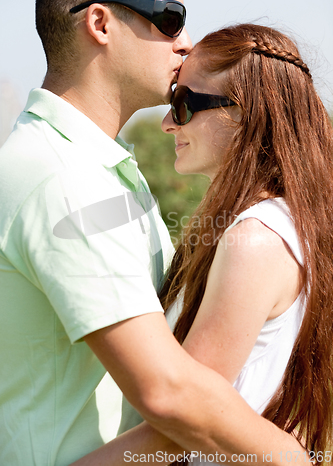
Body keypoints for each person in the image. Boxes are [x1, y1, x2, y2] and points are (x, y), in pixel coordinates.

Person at [0, 0, 308, 462]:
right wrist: (293, 457)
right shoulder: (61, 176)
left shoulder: (104, 168)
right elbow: (168, 393)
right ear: (100, 24)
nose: (185, 42)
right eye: (170, 18)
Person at [70, 23, 333, 466]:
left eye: (184, 104)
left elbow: (186, 424)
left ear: (245, 113)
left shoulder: (256, 238)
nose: (168, 123)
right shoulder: (275, 225)